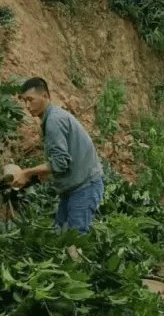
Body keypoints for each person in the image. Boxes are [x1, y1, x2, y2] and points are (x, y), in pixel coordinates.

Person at [11, 77, 105, 233]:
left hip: (84, 188)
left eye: (30, 100)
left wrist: (26, 173)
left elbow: (60, 163)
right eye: (24, 101)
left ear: (45, 96)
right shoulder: (52, 117)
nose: (27, 106)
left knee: (74, 240)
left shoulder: (54, 121)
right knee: (59, 236)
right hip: (74, 188)